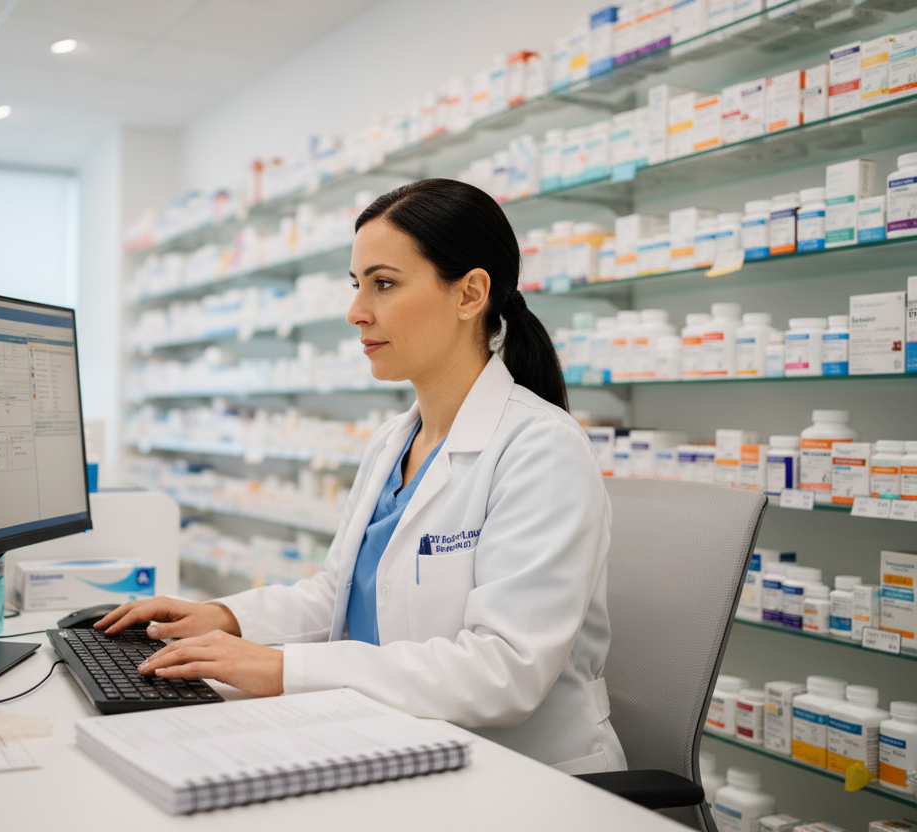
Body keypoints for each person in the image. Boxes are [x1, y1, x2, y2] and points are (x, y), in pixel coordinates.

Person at [96, 178, 626, 774]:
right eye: (357, 285)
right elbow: (339, 594)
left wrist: (279, 669)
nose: (356, 312)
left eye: (385, 284)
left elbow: (503, 672)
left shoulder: (541, 449)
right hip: (388, 742)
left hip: (522, 777)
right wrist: (227, 618)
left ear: (470, 293)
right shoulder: (392, 443)